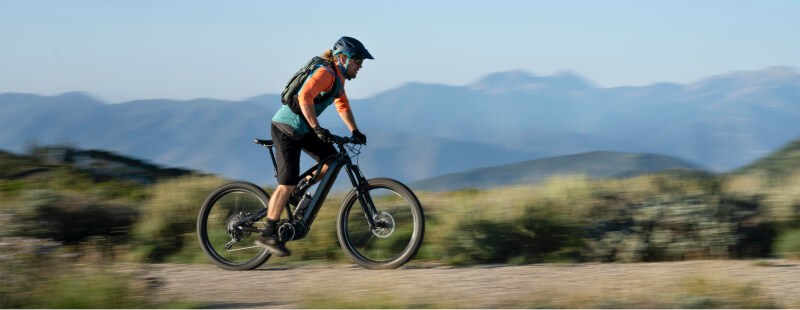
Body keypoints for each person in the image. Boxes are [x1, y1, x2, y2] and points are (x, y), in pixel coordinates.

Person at [255, 36, 373, 256]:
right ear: (342, 59)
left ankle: (299, 190)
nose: (360, 66)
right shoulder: (325, 73)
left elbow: (342, 105)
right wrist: (317, 127)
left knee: (332, 160)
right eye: (357, 61)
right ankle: (268, 233)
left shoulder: (339, 79)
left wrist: (354, 131)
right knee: (287, 182)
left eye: (361, 63)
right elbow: (304, 96)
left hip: (304, 129)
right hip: (286, 128)